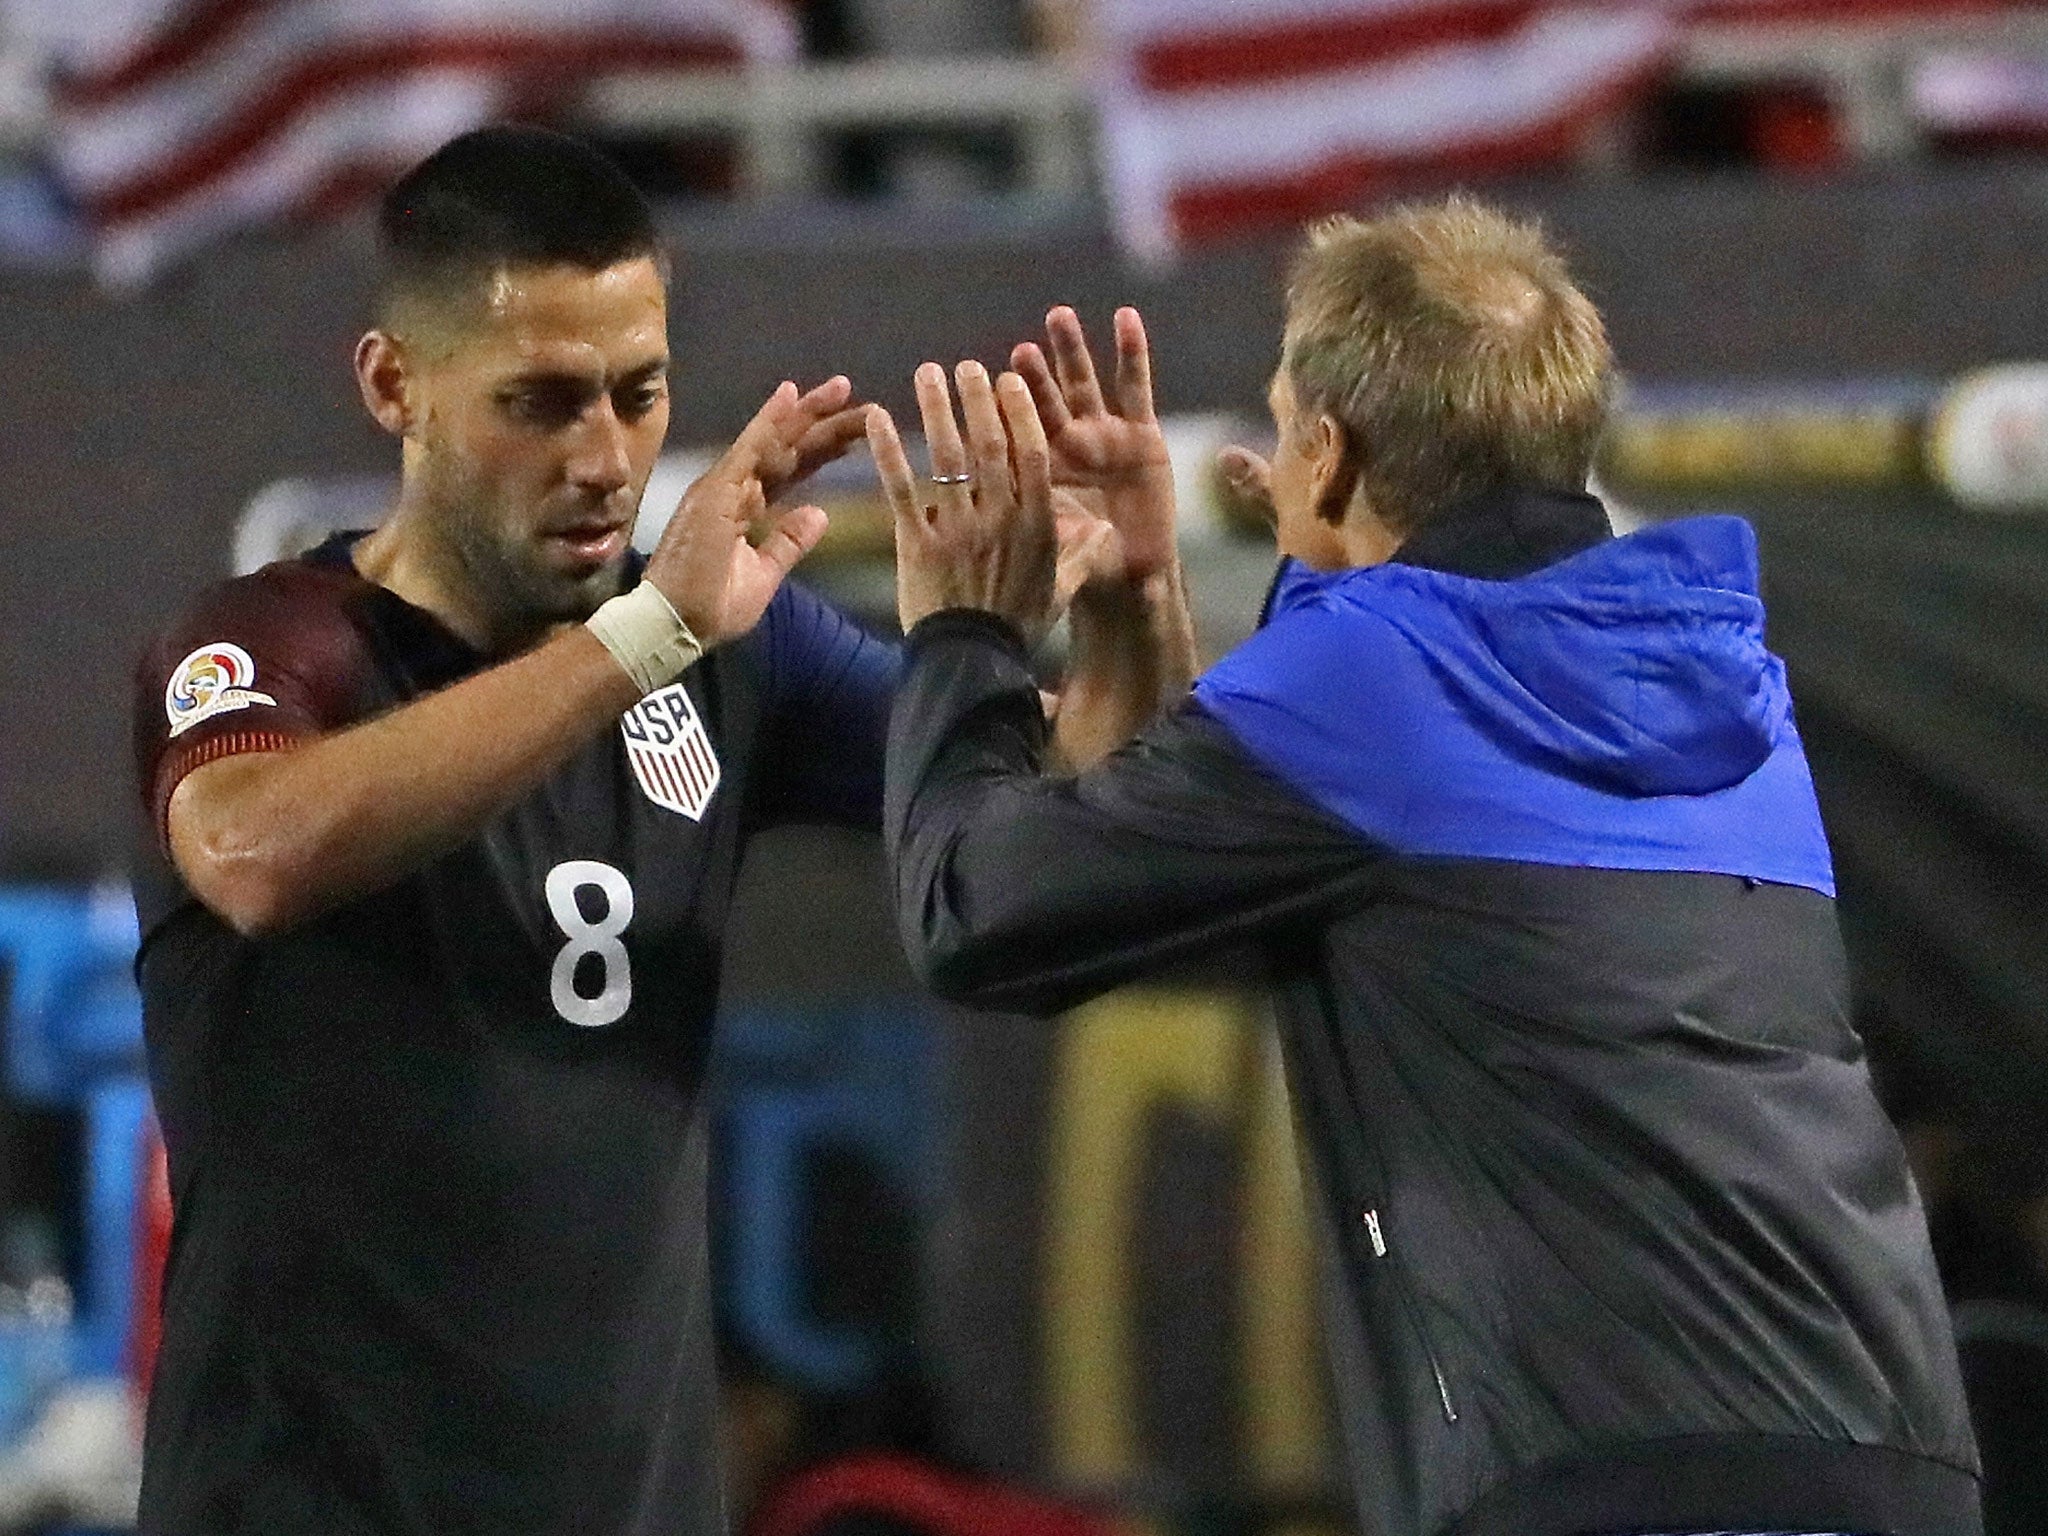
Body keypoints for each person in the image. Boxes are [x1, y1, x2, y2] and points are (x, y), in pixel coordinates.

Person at [874, 198, 1983, 1536]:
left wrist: (967, 633)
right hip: (1889, 1463)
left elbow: (978, 911)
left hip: (1617, 1483)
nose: (1273, 473)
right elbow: (1201, 855)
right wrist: (1132, 610)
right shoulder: (1734, 695)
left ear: (1331, 458)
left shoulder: (1373, 692)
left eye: (1283, 432)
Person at [128, 125, 1175, 1536]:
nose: (606, 459)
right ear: (395, 387)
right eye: (540, 402)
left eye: (638, 393)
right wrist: (645, 634)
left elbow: (1074, 841)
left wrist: (1126, 609)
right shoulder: (270, 644)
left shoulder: (737, 650)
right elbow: (254, 854)